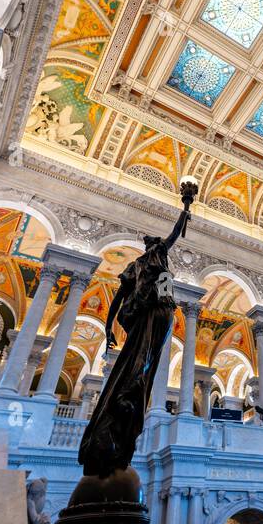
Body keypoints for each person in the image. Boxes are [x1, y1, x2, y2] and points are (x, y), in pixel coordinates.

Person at [77, 181, 195, 477]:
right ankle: (124, 396)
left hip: (163, 311)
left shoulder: (162, 261)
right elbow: (117, 299)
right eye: (154, 243)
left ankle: (132, 398)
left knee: (149, 361)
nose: (159, 246)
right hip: (142, 315)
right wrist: (107, 330)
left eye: (158, 244)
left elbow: (175, 234)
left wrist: (187, 205)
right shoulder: (136, 267)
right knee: (138, 360)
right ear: (149, 247)